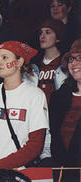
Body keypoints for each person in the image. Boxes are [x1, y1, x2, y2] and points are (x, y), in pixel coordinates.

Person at [0, 41, 49, 172]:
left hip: (20, 173)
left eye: (5, 58)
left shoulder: (35, 95)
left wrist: (0, 165)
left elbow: (35, 145)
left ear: (19, 62)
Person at [49, 39, 81, 181]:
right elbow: (53, 138)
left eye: (79, 58)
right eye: (71, 59)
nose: (73, 63)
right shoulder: (58, 98)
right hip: (63, 172)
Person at [36, 18, 68, 104]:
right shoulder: (34, 65)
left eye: (47, 32)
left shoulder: (66, 64)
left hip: (56, 112)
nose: (42, 36)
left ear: (58, 38)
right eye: (41, 33)